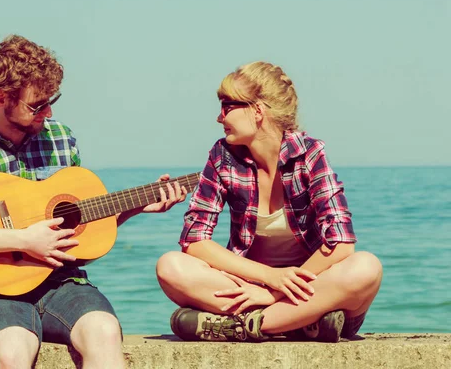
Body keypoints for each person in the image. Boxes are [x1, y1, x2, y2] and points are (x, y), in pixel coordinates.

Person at [0, 34, 187, 369]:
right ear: (0, 97)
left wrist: (135, 206)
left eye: (50, 100)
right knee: (13, 351)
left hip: (64, 284)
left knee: (104, 330)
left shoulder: (60, 138)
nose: (48, 111)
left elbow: (77, 227)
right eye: (37, 105)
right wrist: (23, 240)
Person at [156, 61, 383, 343]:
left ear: (258, 110)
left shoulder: (309, 154)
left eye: (227, 107)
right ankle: (298, 324)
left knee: (366, 268)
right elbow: (194, 241)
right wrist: (268, 278)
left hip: (308, 288)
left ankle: (242, 326)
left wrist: (273, 292)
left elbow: (341, 244)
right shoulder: (222, 155)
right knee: (170, 266)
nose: (219, 117)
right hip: (253, 286)